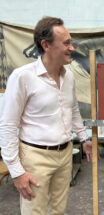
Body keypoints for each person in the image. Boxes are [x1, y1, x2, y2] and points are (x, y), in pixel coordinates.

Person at [0, 16, 93, 215]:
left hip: (65, 153)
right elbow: (7, 126)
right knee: (36, 211)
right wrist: (16, 172)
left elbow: (73, 109)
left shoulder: (68, 76)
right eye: (66, 43)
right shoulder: (22, 77)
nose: (72, 48)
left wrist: (84, 137)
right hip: (35, 158)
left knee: (58, 210)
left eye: (71, 42)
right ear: (46, 45)